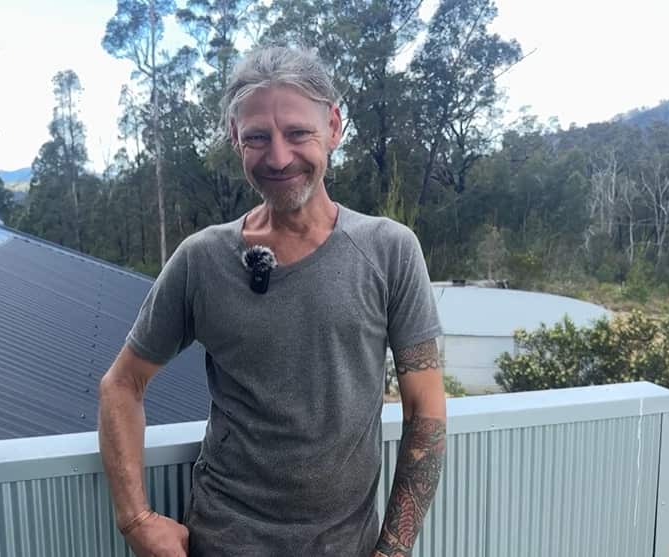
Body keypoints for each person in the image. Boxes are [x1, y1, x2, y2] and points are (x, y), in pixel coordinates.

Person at [99, 46, 446, 557]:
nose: (279, 158)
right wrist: (135, 519)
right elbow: (122, 384)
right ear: (235, 137)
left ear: (333, 127)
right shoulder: (202, 259)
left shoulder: (389, 250)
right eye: (258, 137)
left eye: (298, 133)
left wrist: (392, 551)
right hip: (222, 541)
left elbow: (425, 409)